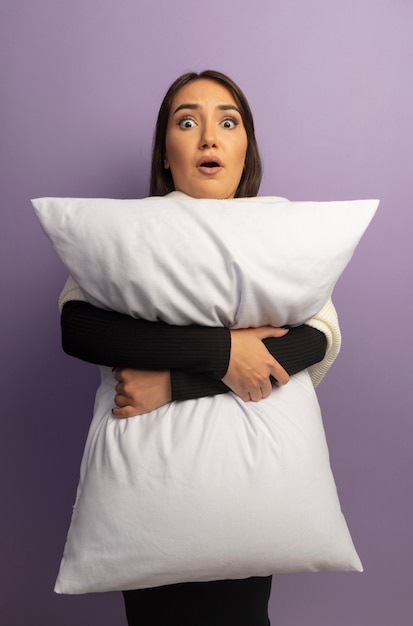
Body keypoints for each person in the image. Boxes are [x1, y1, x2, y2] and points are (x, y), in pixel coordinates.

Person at [59, 70, 340, 626]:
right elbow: (80, 328)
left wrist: (182, 379)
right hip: (149, 494)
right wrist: (225, 351)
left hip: (251, 492)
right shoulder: (125, 236)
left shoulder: (278, 237)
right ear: (166, 153)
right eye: (187, 122)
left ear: (244, 151)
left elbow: (316, 338)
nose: (209, 136)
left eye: (227, 122)